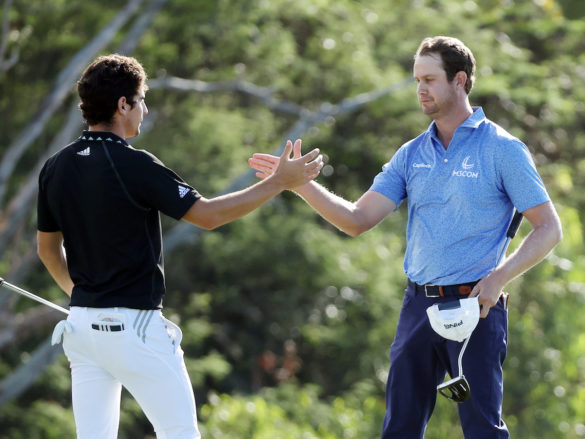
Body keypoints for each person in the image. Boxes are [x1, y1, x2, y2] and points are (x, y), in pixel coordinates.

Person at [248, 36, 562, 438]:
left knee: (483, 430)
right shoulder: (411, 153)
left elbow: (549, 228)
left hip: (476, 308)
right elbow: (357, 219)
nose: (420, 89)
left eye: (430, 79)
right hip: (417, 307)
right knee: (399, 429)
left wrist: (499, 278)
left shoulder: (503, 149)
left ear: (460, 80)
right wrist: (298, 184)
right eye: (417, 80)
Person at [36, 54, 323, 439]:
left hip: (83, 329)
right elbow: (208, 215)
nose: (146, 109)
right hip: (136, 329)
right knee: (180, 433)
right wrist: (279, 182)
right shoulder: (135, 164)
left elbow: (47, 251)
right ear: (123, 105)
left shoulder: (55, 166)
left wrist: (84, 296)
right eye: (141, 100)